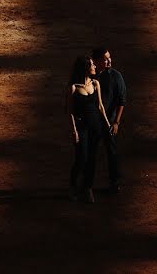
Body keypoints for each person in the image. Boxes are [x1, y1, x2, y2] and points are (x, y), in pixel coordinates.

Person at [66, 55, 110, 203]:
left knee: (92, 158)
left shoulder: (96, 83)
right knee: (81, 158)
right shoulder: (73, 87)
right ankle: (73, 187)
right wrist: (74, 131)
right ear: (85, 68)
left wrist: (107, 124)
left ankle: (88, 187)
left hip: (95, 126)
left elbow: (100, 106)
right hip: (81, 127)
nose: (95, 67)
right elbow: (70, 111)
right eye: (92, 65)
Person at [92, 47, 126, 193]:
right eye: (105, 59)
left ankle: (114, 182)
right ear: (97, 61)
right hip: (93, 122)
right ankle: (88, 184)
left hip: (109, 123)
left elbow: (121, 101)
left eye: (109, 57)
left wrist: (116, 122)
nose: (109, 61)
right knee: (90, 153)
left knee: (111, 152)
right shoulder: (90, 76)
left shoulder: (116, 76)